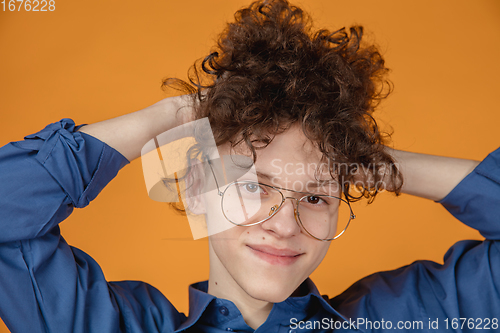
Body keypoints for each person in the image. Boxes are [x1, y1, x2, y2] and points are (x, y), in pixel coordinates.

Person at [0, 0, 499, 332]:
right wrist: (173, 117)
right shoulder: (106, 325)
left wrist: (372, 161)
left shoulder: (403, 317)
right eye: (255, 186)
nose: (285, 225)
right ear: (197, 190)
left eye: (316, 196)